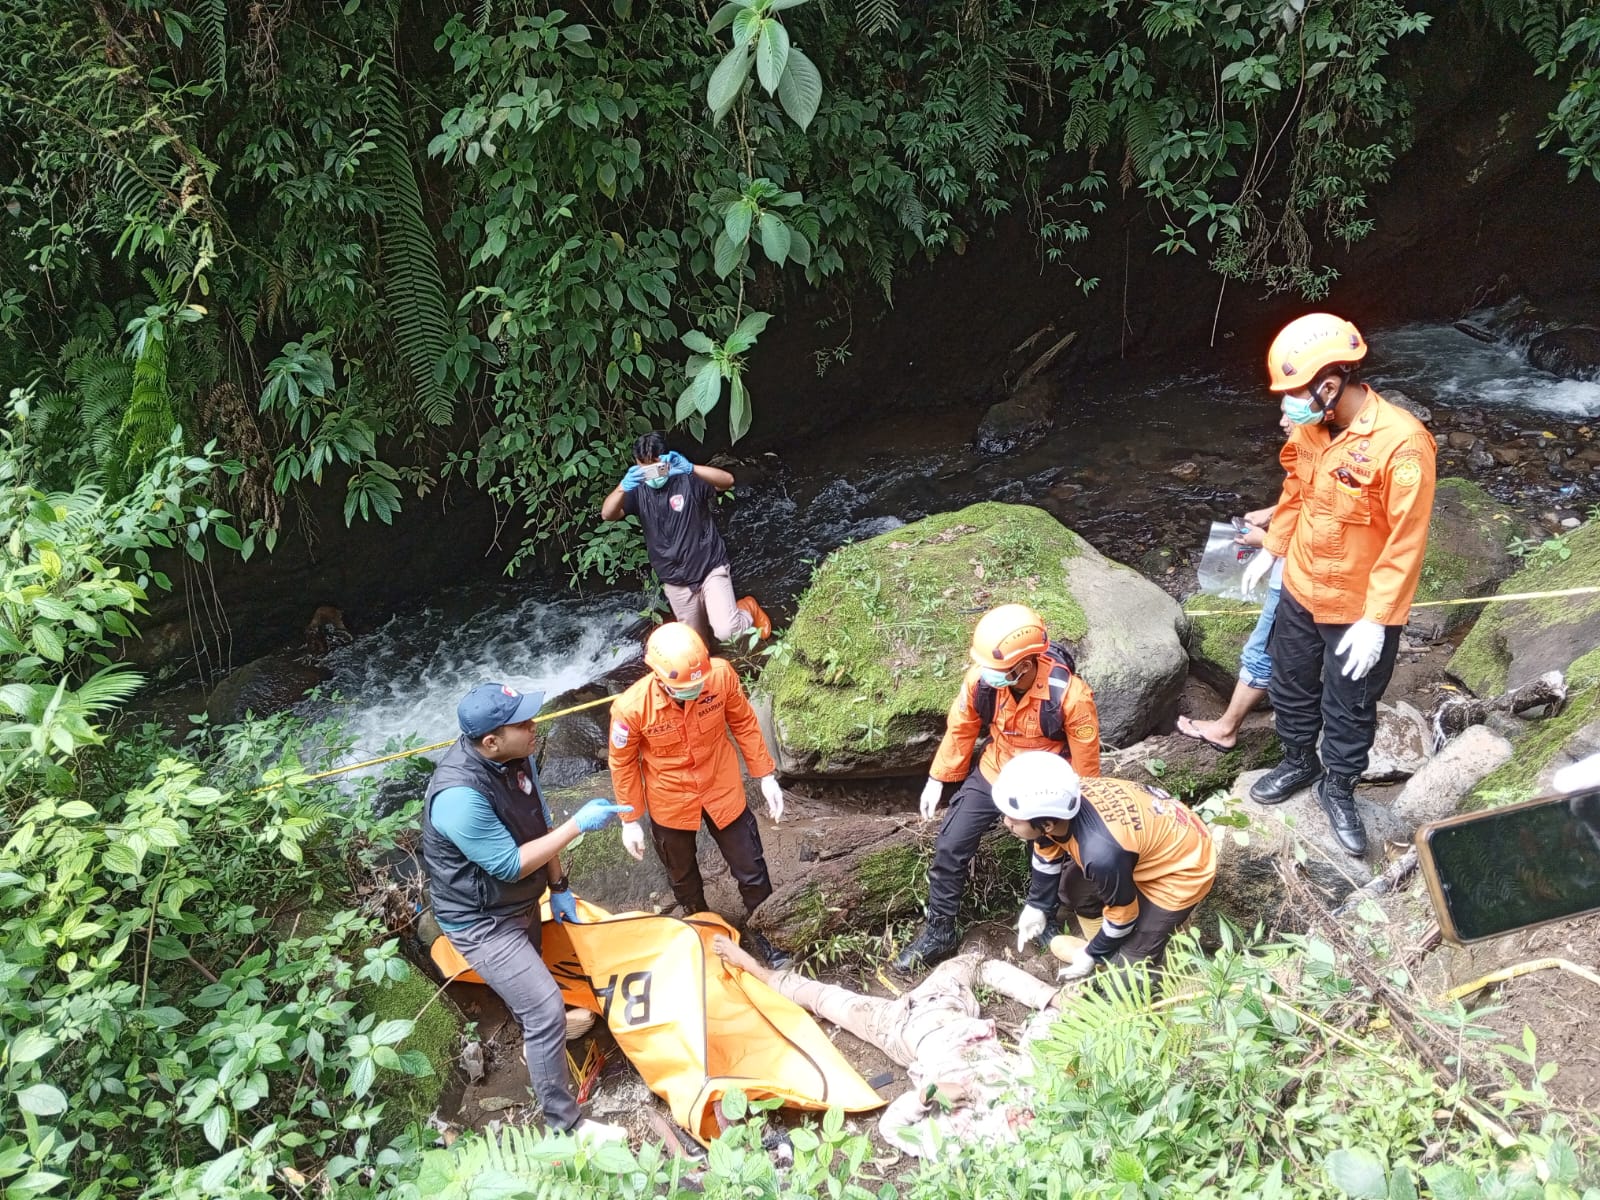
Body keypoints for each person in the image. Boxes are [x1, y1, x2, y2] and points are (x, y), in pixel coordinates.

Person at [1240, 314, 1437, 855]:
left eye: (1292, 395)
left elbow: (1406, 540)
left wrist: (1377, 619)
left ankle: (1339, 788)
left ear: (1329, 385)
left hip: (1358, 606)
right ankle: (1299, 763)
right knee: (1291, 684)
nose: (1285, 410)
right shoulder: (1310, 428)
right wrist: (1276, 549)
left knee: (1350, 705)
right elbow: (1296, 490)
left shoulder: (1402, 444)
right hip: (1303, 588)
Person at [420, 683, 631, 1142]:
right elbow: (509, 863)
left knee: (537, 995)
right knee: (545, 1007)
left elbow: (538, 824)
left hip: (519, 902)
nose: (534, 726)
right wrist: (581, 825)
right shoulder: (458, 796)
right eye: (522, 722)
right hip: (481, 923)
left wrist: (559, 886)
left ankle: (538, 1031)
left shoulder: (517, 757)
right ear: (490, 741)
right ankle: (565, 1124)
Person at [711, 935, 1062, 1157]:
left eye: (1024, 1131)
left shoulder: (968, 1139)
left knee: (828, 1001)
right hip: (950, 1001)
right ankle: (977, 949)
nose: (1024, 1120)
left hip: (900, 1029)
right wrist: (1054, 1002)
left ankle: (753, 968)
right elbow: (1038, 1042)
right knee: (975, 964)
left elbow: (892, 1129)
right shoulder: (1034, 1097)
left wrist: (929, 1094)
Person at [892, 603, 1102, 974]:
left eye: (999, 670)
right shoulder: (982, 681)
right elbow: (961, 728)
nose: (987, 675)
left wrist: (1082, 814)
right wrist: (936, 778)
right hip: (996, 769)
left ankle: (1043, 915)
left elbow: (1086, 768)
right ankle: (940, 930)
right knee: (951, 843)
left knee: (1050, 848)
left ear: (1024, 665)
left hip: (1044, 782)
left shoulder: (1070, 697)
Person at [607, 622, 792, 967]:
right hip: (670, 798)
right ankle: (700, 928)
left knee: (751, 866)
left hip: (720, 784)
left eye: (698, 682)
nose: (696, 689)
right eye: (686, 686)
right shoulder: (631, 708)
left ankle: (767, 931)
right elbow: (622, 762)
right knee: (683, 876)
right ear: (660, 678)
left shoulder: (720, 677)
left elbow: (744, 722)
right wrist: (629, 818)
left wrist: (765, 774)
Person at [993, 750, 1217, 980]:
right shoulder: (1060, 803)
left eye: (1013, 819)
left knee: (1128, 971)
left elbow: (1124, 916)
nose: (1005, 822)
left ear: (1048, 824)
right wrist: (1037, 905)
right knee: (1074, 889)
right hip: (1144, 842)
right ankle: (1105, 947)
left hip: (1184, 866)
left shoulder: (1100, 855)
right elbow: (1045, 850)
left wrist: (1093, 954)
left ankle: (1122, 958)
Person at [599, 430, 772, 650]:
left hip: (709, 566)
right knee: (696, 646)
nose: (653, 471)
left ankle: (747, 609)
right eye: (645, 466)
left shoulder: (686, 477)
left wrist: (691, 468)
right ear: (637, 463)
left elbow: (727, 481)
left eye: (656, 464)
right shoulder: (637, 488)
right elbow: (608, 514)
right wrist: (623, 487)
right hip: (675, 578)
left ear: (666, 458)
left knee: (726, 631)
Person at [1176, 503, 1281, 751]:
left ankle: (1226, 729)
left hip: (1302, 579)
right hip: (1315, 574)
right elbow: (1308, 492)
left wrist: (1269, 543)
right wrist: (1275, 511)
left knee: (1260, 652)